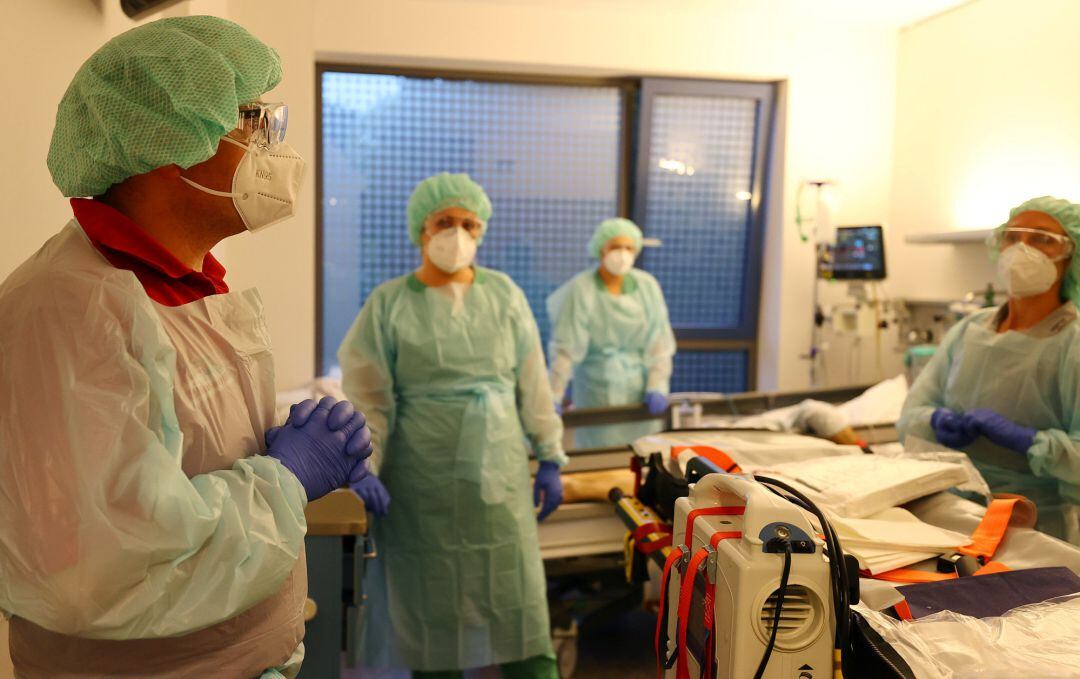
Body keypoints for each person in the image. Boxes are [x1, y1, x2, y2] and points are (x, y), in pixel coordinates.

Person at [0, 17, 373, 678]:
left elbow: (171, 461)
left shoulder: (183, 286)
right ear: (172, 140)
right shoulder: (73, 308)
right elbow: (101, 569)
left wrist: (278, 447)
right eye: (254, 122)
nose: (274, 146)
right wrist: (285, 479)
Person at [340, 172, 567, 678]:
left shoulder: (505, 295)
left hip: (500, 478)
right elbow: (370, 398)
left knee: (518, 603)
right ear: (421, 229)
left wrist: (550, 454)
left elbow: (533, 383)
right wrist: (365, 465)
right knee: (430, 611)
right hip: (423, 480)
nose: (458, 233)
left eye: (469, 223)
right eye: (445, 221)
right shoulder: (389, 304)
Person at [898, 196, 1080, 544]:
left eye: (1042, 238)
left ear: (1071, 256)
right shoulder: (970, 330)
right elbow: (909, 417)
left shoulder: (1073, 342)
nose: (1022, 248)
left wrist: (1031, 443)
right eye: (1013, 237)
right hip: (950, 511)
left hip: (1033, 528)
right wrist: (935, 421)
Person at [547, 217, 676, 448]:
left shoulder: (647, 286)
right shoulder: (581, 288)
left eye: (629, 247)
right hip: (596, 391)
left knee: (642, 457)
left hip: (639, 393)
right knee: (599, 459)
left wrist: (657, 385)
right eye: (615, 246)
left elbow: (660, 345)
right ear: (600, 249)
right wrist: (554, 394)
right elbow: (565, 348)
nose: (622, 253)